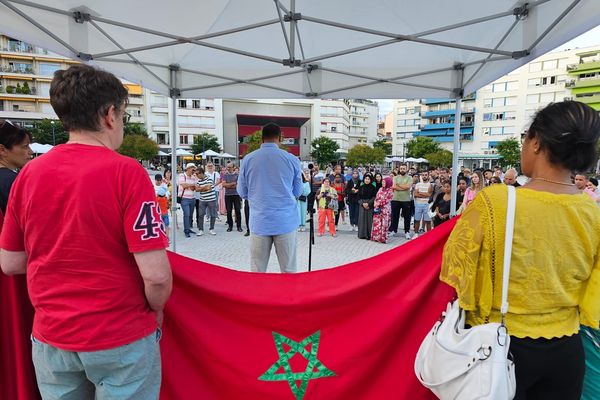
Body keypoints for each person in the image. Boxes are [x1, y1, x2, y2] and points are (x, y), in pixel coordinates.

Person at [0, 64, 172, 399]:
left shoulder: (29, 175)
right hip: (120, 336)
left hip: (52, 337)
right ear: (110, 114)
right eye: (124, 115)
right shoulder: (127, 172)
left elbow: (10, 263)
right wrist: (158, 307)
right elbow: (157, 276)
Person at [440, 101, 600, 400]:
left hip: (499, 347)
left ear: (536, 142)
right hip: (567, 350)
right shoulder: (592, 212)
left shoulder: (496, 201)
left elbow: (454, 265)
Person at [0, 120, 38, 400]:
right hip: (14, 271)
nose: (29, 152)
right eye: (24, 147)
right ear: (3, 150)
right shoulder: (12, 182)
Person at [237, 123, 303, 273]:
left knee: (257, 270)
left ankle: (258, 297)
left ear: (261, 139)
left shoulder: (248, 159)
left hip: (260, 221)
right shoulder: (292, 159)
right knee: (289, 270)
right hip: (285, 221)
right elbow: (298, 191)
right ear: (280, 138)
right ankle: (289, 297)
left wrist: (257, 196)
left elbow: (242, 192)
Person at [390, 164, 413, 240]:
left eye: (404, 168)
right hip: (395, 199)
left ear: (406, 169)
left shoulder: (410, 178)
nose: (402, 170)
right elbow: (393, 187)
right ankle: (394, 230)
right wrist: (403, 187)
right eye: (401, 168)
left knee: (407, 217)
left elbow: (407, 187)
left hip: (406, 200)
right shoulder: (395, 177)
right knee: (394, 216)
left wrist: (398, 185)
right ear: (399, 169)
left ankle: (407, 232)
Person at [195, 167, 218, 236]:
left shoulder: (209, 179)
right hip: (202, 200)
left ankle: (211, 229)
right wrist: (203, 188)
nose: (196, 175)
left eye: (197, 174)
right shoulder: (198, 181)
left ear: (201, 173)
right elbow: (197, 190)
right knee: (200, 215)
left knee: (213, 215)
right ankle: (200, 230)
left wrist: (200, 188)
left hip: (211, 200)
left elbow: (209, 188)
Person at [371, 176, 394, 243]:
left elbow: (387, 199)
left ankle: (383, 238)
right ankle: (376, 237)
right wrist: (375, 203)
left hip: (385, 209)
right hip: (377, 208)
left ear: (388, 183)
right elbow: (377, 197)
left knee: (384, 223)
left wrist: (379, 203)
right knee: (377, 223)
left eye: (384, 182)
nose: (383, 183)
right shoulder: (380, 189)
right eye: (382, 182)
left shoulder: (390, 190)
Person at [222, 162, 242, 232]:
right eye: (227, 167)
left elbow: (238, 185)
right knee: (229, 211)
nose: (228, 168)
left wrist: (229, 185)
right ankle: (230, 226)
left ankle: (239, 226)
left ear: (233, 168)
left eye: (229, 167)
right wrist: (232, 184)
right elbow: (223, 185)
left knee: (238, 210)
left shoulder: (238, 175)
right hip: (228, 195)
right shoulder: (225, 175)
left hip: (236, 195)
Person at [412, 171, 432, 239]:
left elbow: (429, 194)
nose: (424, 176)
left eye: (425, 175)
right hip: (418, 204)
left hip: (427, 204)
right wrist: (425, 195)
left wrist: (420, 193)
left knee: (428, 221)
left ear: (428, 176)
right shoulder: (418, 184)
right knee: (417, 219)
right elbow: (415, 194)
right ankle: (416, 233)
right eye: (423, 175)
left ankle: (429, 235)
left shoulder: (430, 185)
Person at [357, 174, 377, 240]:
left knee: (369, 220)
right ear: (364, 179)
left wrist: (369, 204)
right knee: (362, 219)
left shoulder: (373, 187)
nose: (367, 180)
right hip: (362, 205)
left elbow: (374, 197)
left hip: (370, 205)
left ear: (370, 180)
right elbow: (358, 198)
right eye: (366, 179)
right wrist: (362, 204)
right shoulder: (361, 187)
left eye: (368, 179)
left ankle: (369, 235)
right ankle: (362, 234)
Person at [155, 174, 170, 240]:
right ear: (155, 180)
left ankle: (166, 237)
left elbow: (168, 193)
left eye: (160, 180)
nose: (159, 182)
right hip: (159, 211)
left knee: (164, 224)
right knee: (163, 224)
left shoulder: (164, 186)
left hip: (162, 211)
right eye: (157, 180)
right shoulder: (153, 186)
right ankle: (164, 237)